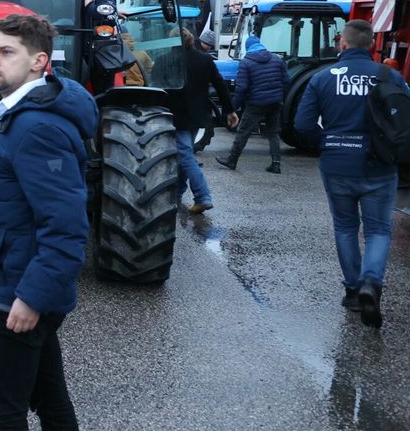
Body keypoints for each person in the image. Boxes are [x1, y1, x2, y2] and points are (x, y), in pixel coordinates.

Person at [0, 14, 97, 431]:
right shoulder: (23, 116)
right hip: (24, 289)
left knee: (4, 418)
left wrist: (29, 297)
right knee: (51, 403)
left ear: (38, 62)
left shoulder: (36, 128)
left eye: (6, 52)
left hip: (18, 297)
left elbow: (65, 226)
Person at [294, 20, 408, 328]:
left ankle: (353, 290)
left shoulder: (321, 78)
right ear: (371, 44)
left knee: (345, 227)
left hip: (337, 164)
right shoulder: (391, 76)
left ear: (343, 44)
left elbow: (302, 125)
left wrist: (328, 144)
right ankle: (372, 282)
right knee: (378, 231)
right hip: (380, 166)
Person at [165, 29, 239, 214]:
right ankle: (178, 193)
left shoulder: (165, 60)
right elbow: (220, 85)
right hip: (197, 115)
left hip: (174, 115)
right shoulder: (205, 60)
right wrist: (230, 110)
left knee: (185, 155)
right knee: (185, 153)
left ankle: (202, 196)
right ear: (192, 41)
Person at [216, 35, 288, 173]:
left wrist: (232, 108)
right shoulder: (276, 60)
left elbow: (241, 88)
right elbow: (286, 81)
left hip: (256, 103)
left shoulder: (246, 62)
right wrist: (279, 97)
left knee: (243, 131)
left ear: (248, 47)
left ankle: (232, 160)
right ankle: (276, 164)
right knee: (273, 133)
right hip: (275, 102)